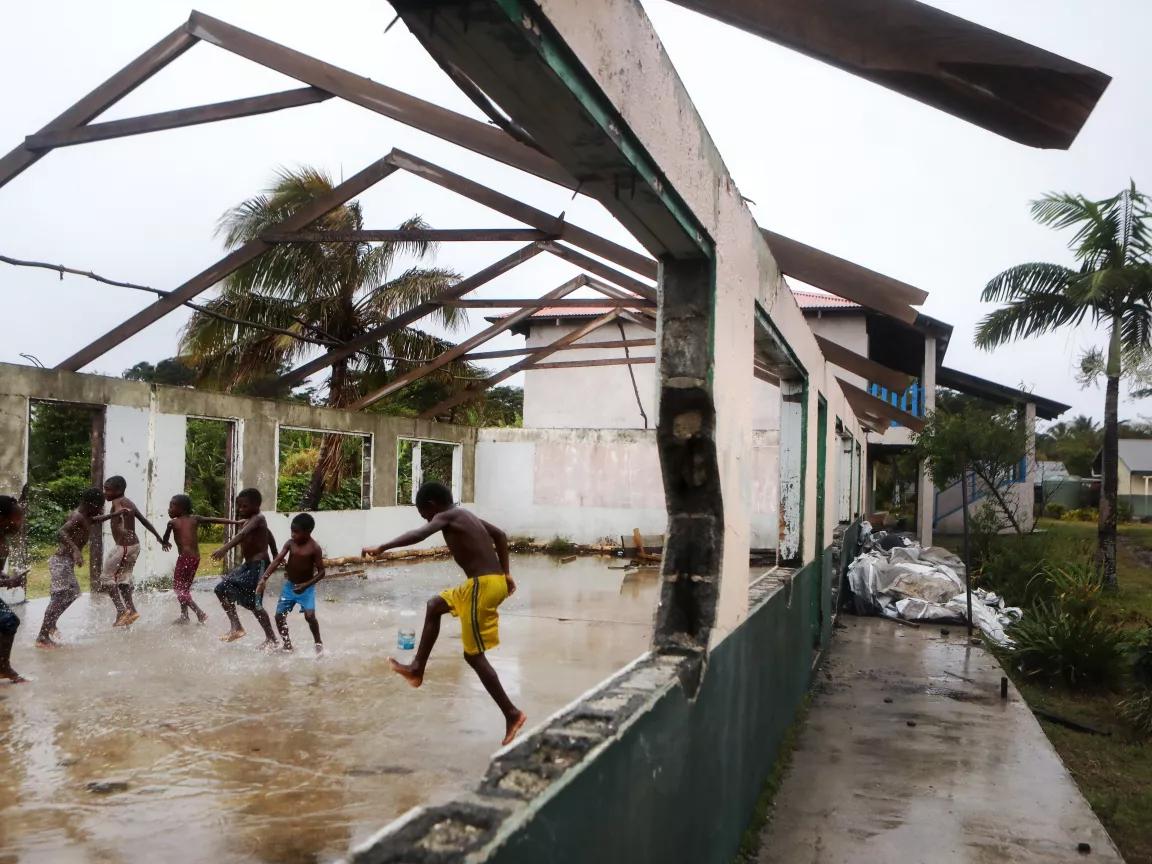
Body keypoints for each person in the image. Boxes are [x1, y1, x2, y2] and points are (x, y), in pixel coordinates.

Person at [362, 481, 526, 745]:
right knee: (434, 606)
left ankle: (512, 713)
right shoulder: (466, 515)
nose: (429, 520)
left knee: (473, 656)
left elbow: (418, 535)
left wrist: (382, 547)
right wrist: (505, 573)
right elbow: (501, 535)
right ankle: (417, 668)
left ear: (432, 505)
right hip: (487, 582)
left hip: (481, 586)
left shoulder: (446, 515)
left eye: (426, 515)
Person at [37, 488, 123, 648]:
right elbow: (61, 532)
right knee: (61, 595)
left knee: (71, 593)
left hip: (65, 562)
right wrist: (75, 550)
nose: (101, 510)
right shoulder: (77, 516)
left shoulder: (86, 517)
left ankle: (50, 624)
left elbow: (97, 519)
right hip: (60, 561)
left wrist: (113, 515)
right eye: (99, 506)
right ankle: (42, 636)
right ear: (91, 504)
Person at [161, 494, 245, 625]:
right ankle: (184, 615)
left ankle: (199, 613)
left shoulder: (173, 523)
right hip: (195, 558)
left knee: (178, 588)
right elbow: (215, 520)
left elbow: (164, 540)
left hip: (184, 559)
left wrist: (165, 542)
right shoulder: (195, 519)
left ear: (181, 508)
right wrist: (235, 522)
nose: (169, 509)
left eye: (172, 506)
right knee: (185, 589)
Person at [210, 488, 278, 646]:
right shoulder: (249, 520)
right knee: (220, 589)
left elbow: (242, 535)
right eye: (239, 506)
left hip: (258, 565)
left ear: (257, 505)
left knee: (256, 604)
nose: (240, 510)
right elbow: (269, 534)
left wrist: (223, 548)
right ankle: (237, 627)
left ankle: (272, 639)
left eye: (244, 506)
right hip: (247, 565)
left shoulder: (258, 518)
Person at [102, 475, 170, 627]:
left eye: (107, 489)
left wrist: (124, 530)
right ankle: (131, 611)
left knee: (106, 578)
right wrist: (159, 538)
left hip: (125, 547)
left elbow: (127, 523)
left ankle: (121, 612)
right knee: (123, 579)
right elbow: (143, 520)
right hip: (132, 547)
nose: (104, 492)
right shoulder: (125, 502)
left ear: (118, 490)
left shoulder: (122, 503)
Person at [259, 513, 326, 654]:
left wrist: (306, 585)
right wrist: (264, 578)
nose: (293, 534)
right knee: (279, 616)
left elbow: (321, 573)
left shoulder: (314, 548)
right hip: (290, 586)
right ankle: (287, 644)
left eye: (296, 532)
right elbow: (277, 560)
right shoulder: (290, 543)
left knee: (309, 616)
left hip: (306, 588)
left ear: (308, 532)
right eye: (292, 531)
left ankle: (318, 642)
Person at [0, 495, 27, 682]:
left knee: (9, 622)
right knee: (9, 621)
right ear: (2, 520)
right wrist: (7, 583)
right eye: (17, 519)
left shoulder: (2, 540)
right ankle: (3, 667)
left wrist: (5, 577)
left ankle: (3, 667)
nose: (20, 524)